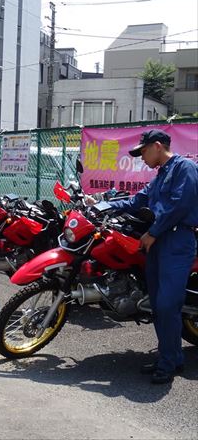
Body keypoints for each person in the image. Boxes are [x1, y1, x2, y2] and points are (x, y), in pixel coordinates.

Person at [102, 129, 198, 384]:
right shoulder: (160, 175)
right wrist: (102, 206)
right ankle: (171, 358)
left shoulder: (185, 168)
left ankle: (168, 363)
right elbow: (137, 201)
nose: (142, 158)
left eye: (143, 152)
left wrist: (153, 232)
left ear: (157, 146)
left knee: (167, 305)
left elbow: (180, 205)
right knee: (157, 305)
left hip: (176, 241)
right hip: (156, 244)